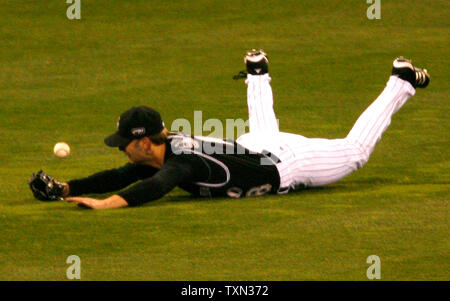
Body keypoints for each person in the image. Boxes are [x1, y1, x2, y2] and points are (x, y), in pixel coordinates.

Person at [28, 50, 430, 209]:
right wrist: (68, 188)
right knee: (260, 131)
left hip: (289, 163)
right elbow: (124, 174)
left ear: (144, 142)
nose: (120, 150)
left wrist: (105, 204)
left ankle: (402, 82)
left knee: (356, 151)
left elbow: (155, 186)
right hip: (252, 148)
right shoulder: (163, 150)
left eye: (123, 144)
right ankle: (257, 74)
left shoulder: (180, 162)